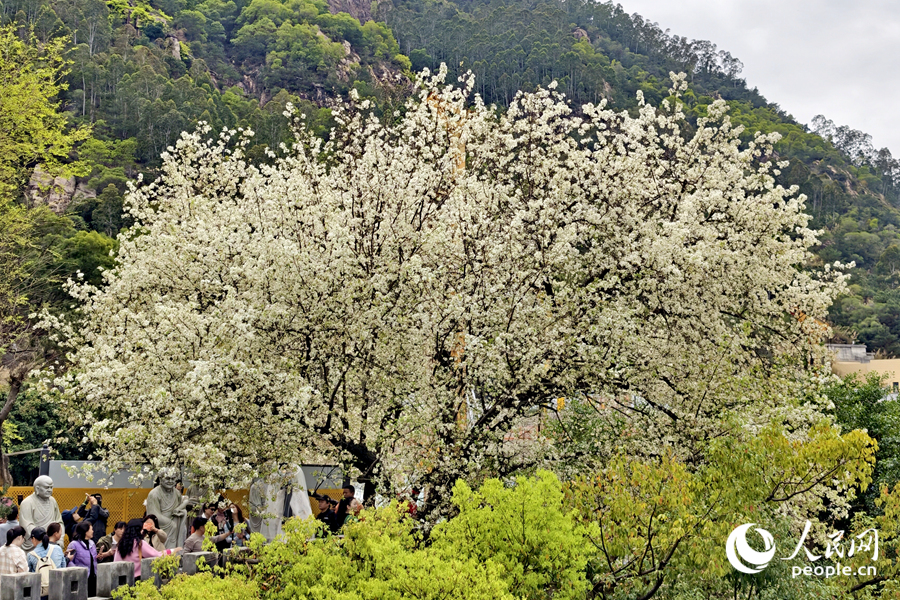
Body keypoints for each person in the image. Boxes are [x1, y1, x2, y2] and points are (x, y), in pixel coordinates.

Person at [114, 519, 179, 578]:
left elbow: (116, 562)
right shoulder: (140, 543)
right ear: (139, 530)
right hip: (136, 579)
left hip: (121, 579)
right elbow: (157, 555)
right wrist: (172, 551)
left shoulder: (120, 544)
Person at [144, 469, 191, 549]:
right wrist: (171, 524)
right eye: (167, 478)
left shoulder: (177, 493)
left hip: (175, 527)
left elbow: (180, 508)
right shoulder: (154, 494)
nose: (170, 481)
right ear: (161, 479)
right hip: (161, 528)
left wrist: (181, 512)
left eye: (173, 479)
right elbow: (153, 516)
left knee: (173, 550)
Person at [19, 476, 63, 552]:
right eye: (46, 487)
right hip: (34, 544)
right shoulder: (27, 503)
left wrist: (60, 538)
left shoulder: (53, 501)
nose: (50, 490)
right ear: (37, 488)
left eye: (51, 487)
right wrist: (43, 539)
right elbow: (27, 526)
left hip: (52, 543)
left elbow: (59, 522)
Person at [66, 522, 97, 596]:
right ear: (86, 531)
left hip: (93, 577)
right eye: (91, 529)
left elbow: (94, 559)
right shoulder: (74, 544)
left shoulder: (92, 543)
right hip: (81, 578)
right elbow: (69, 561)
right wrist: (78, 571)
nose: (93, 531)